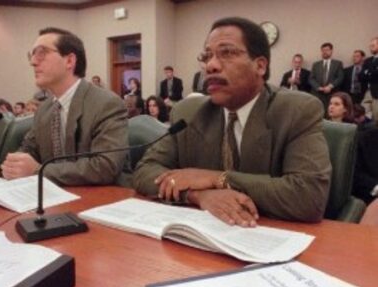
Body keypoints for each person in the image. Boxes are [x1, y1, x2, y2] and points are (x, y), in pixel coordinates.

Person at [133, 17, 331, 226]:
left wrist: (217, 179)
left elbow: (309, 197)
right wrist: (198, 196)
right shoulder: (188, 112)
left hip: (269, 237)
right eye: (207, 56)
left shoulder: (297, 110)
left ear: (260, 66)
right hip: (203, 239)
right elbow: (145, 171)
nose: (211, 65)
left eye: (226, 53)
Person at [1, 27, 127, 186]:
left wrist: (39, 171)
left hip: (100, 198)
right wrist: (14, 166)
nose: (33, 62)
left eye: (41, 53)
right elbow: (29, 149)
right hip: (54, 197)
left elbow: (105, 167)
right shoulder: (44, 109)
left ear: (69, 61)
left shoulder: (106, 103)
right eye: (32, 54)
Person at [309, 42, 344, 111]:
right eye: (323, 50)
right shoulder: (316, 64)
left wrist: (330, 86)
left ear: (331, 51)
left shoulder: (338, 63)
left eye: (327, 50)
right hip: (318, 94)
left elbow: (340, 77)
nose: (325, 52)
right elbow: (311, 78)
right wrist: (318, 87)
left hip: (332, 94)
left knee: (330, 114)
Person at [359, 37, 378, 122]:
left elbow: (374, 74)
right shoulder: (368, 60)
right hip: (367, 91)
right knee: (363, 114)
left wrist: (368, 72)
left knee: (376, 117)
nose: (371, 47)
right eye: (370, 46)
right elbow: (360, 76)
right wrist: (370, 72)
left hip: (377, 93)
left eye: (373, 45)